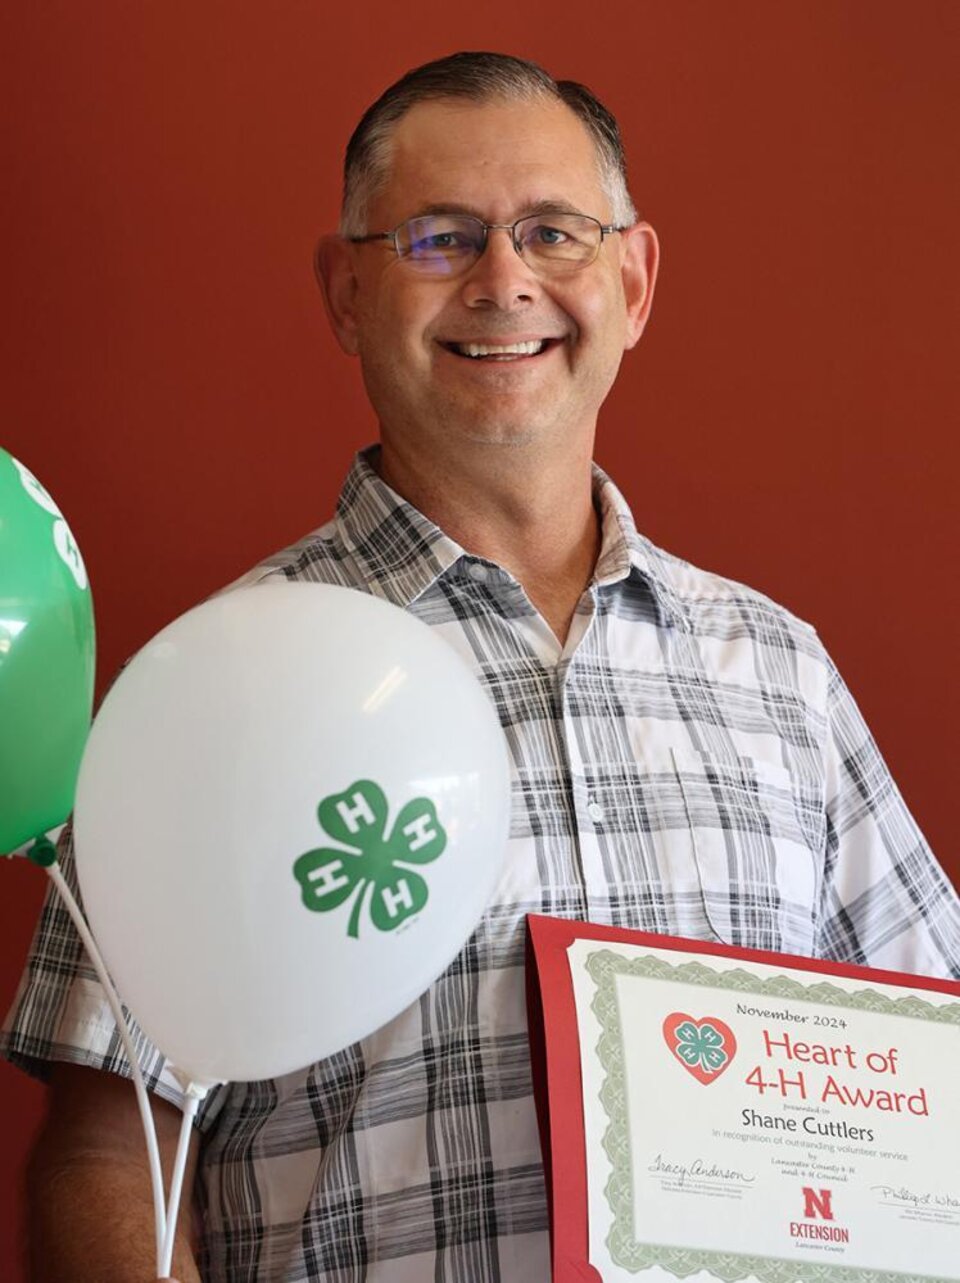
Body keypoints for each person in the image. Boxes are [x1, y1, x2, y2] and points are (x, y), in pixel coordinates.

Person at [3, 51, 958, 1283]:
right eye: (439, 239)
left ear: (634, 277)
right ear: (346, 292)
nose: (505, 282)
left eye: (554, 231)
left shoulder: (779, 670)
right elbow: (110, 1156)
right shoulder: (219, 684)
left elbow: (928, 1066)